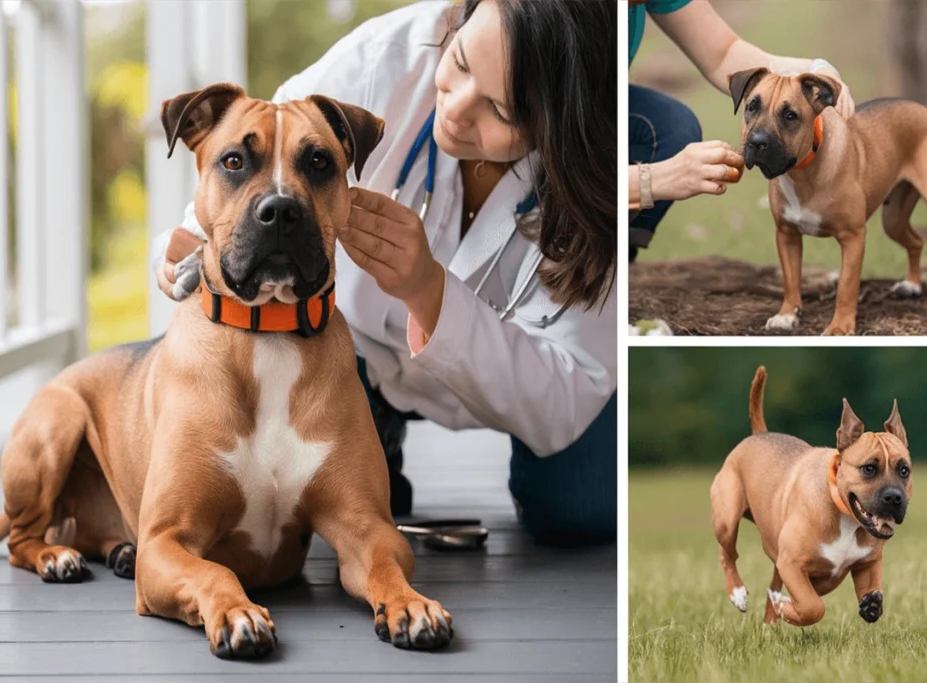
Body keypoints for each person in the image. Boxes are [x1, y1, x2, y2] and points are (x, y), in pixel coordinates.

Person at [152, 0, 616, 546]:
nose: (457, 109)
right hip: (347, 357)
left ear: (557, 126)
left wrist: (428, 290)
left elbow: (567, 394)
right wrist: (178, 247)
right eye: (461, 63)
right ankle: (375, 430)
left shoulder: (600, 171)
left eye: (501, 111)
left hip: (509, 389)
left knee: (581, 507)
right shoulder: (382, 58)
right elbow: (249, 151)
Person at [627, 0, 856, 262]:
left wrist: (816, 68)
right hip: (571, 123)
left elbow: (723, 53)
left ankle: (618, 249)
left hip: (597, 102)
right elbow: (566, 175)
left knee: (676, 128)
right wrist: (654, 179)